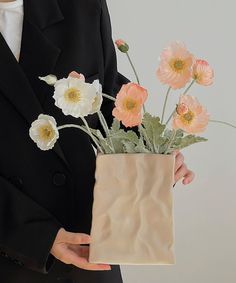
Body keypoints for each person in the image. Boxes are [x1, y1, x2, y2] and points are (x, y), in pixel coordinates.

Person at [0, 0, 195, 282]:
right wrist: (38, 236)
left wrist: (153, 154)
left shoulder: (82, 7)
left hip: (86, 248)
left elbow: (107, 96)